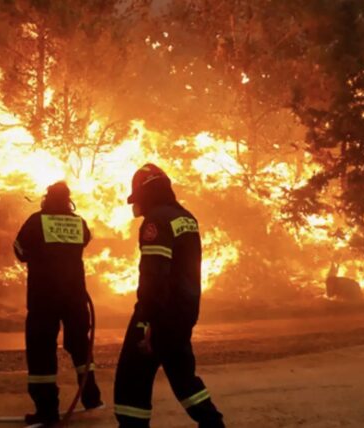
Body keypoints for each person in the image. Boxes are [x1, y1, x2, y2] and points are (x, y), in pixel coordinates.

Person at [113, 164, 225, 428]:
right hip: (183, 312)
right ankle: (213, 423)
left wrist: (148, 320)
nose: (135, 206)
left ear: (146, 193)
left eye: (136, 198)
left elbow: (154, 275)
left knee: (131, 380)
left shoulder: (156, 221)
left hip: (158, 314)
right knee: (183, 377)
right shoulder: (186, 217)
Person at [13, 181, 103, 426]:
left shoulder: (36, 221)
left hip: (44, 297)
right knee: (79, 345)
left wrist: (40, 254)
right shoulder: (78, 223)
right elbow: (85, 241)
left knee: (41, 350)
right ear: (68, 200)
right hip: (75, 296)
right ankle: (91, 396)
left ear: (46, 199)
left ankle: (47, 410)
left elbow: (19, 250)